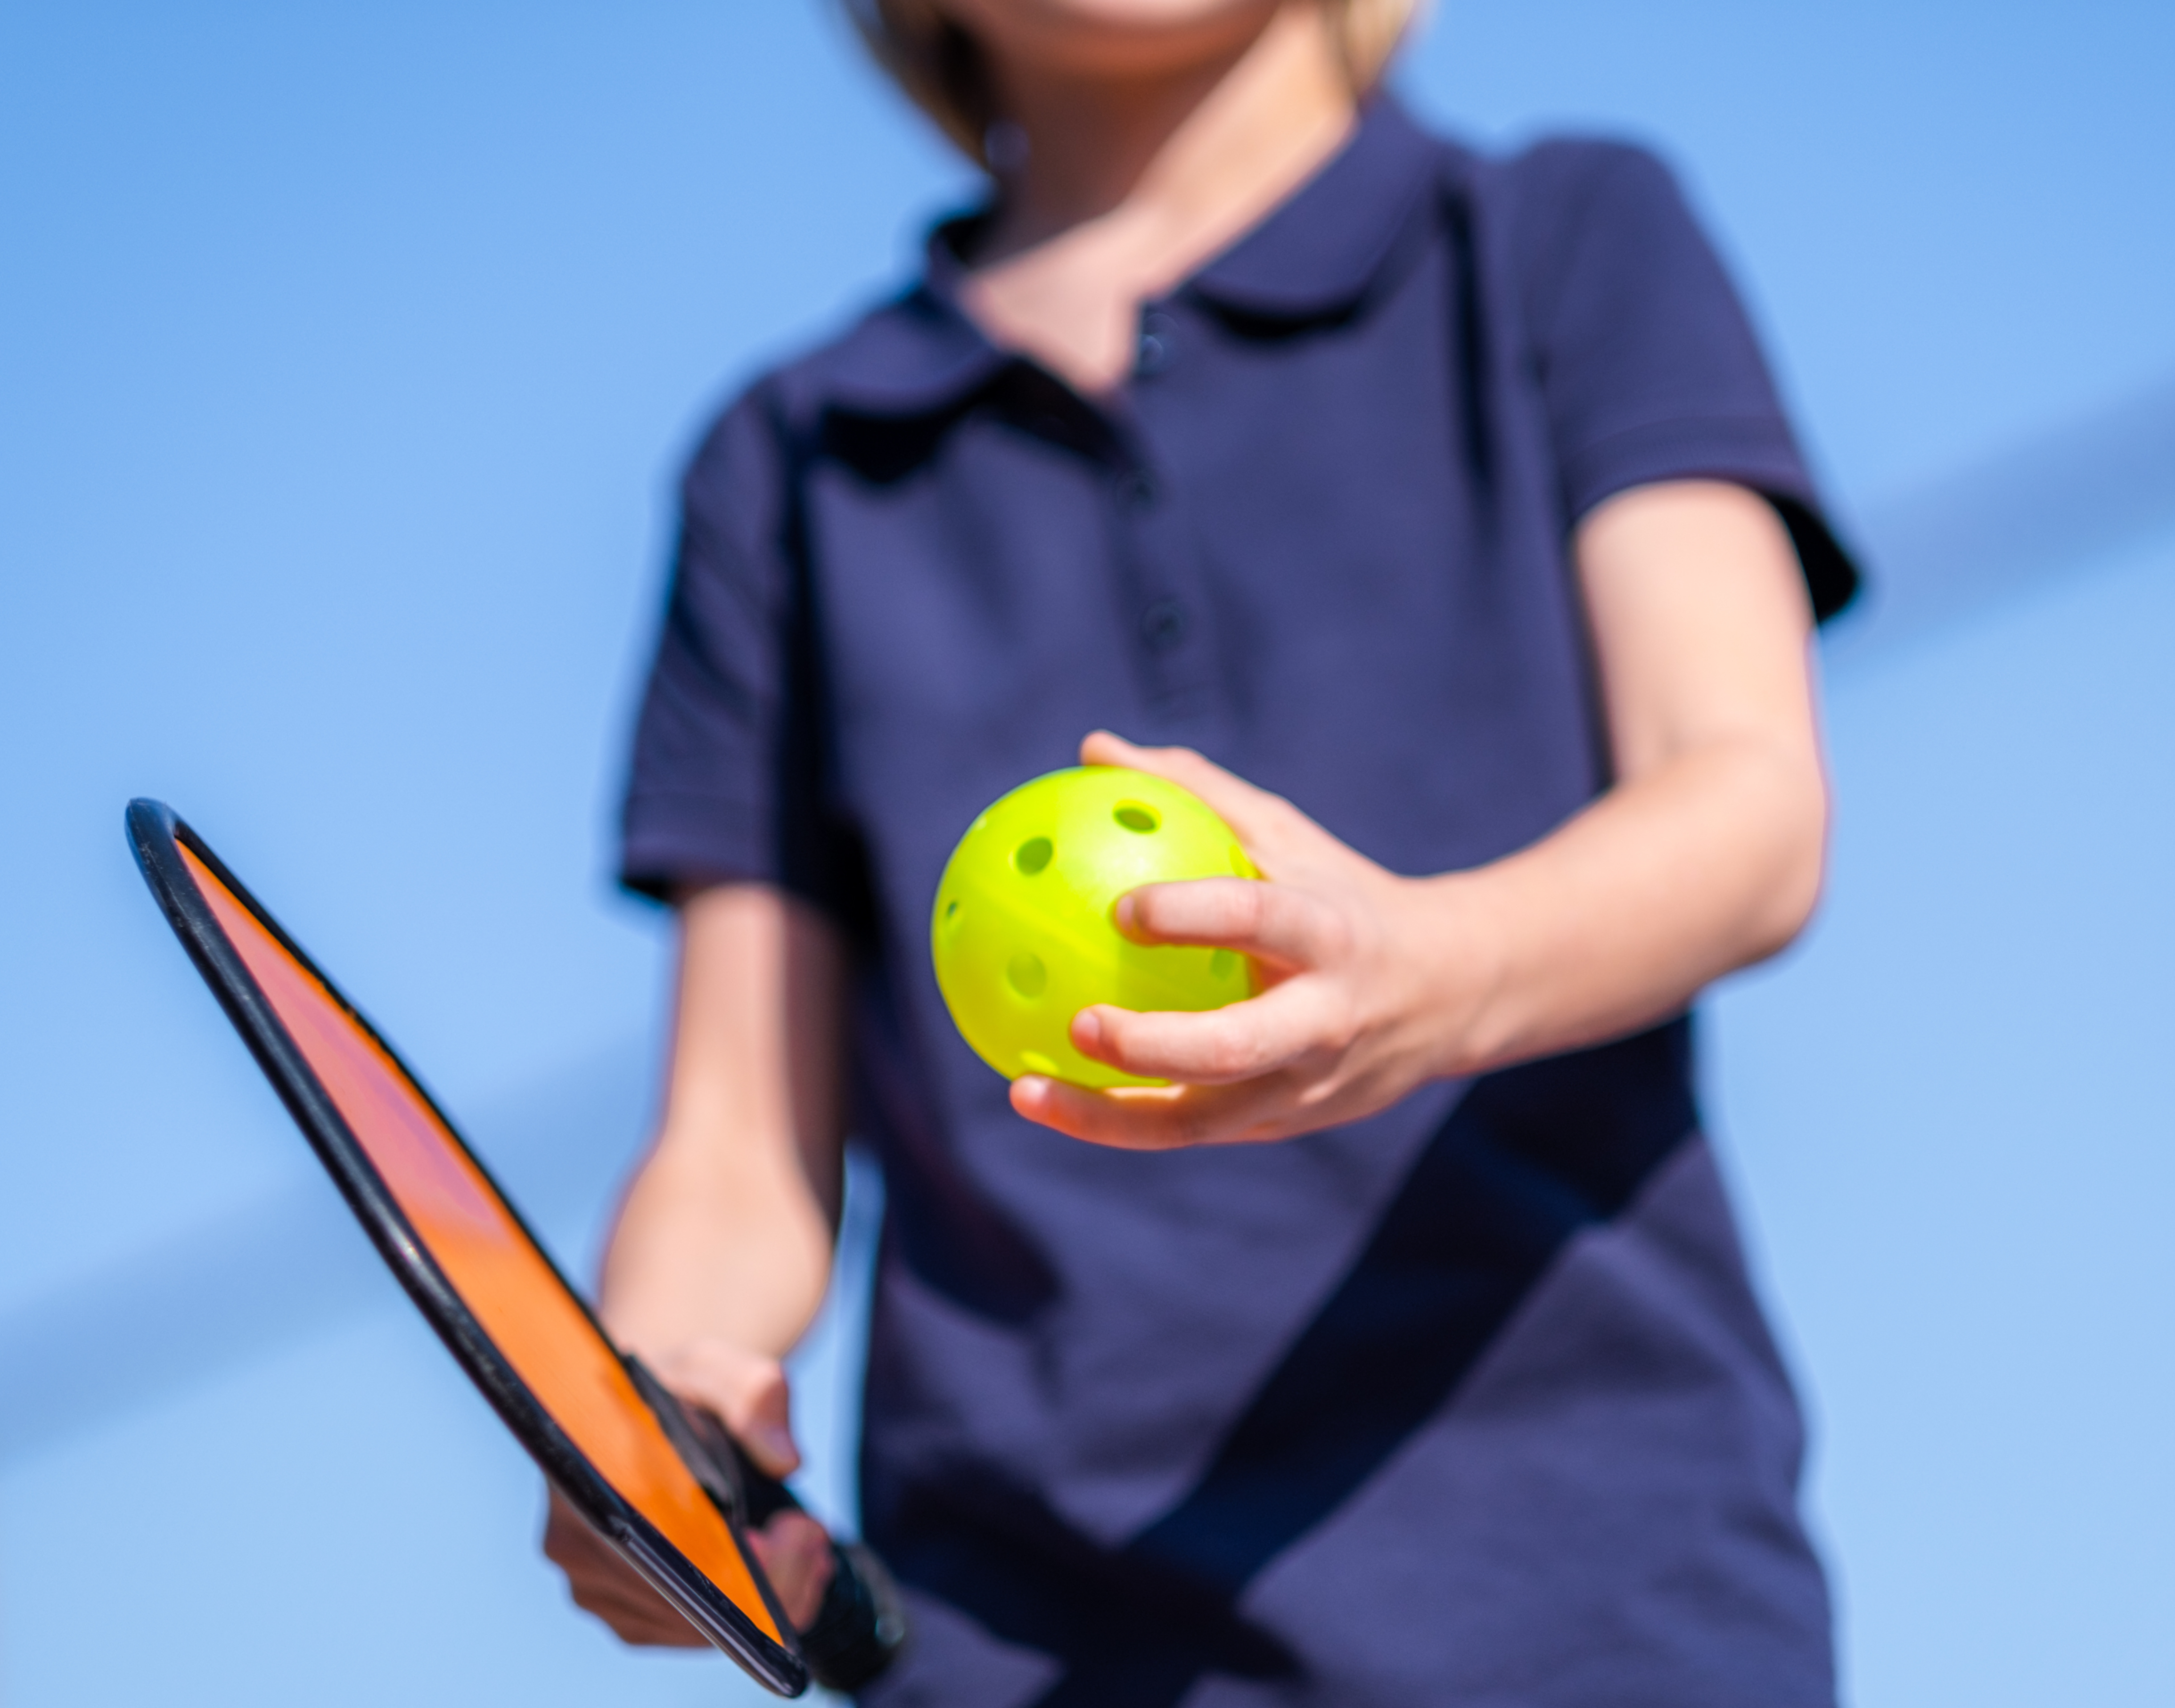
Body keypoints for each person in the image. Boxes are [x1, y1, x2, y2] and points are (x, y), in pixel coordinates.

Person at [546, 0, 1860, 1700]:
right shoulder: (791, 464)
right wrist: (660, 1402)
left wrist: (1432, 976)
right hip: (1019, 1652)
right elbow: (735, 1146)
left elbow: (1746, 806)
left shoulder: (1558, 238)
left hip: (1595, 1611)